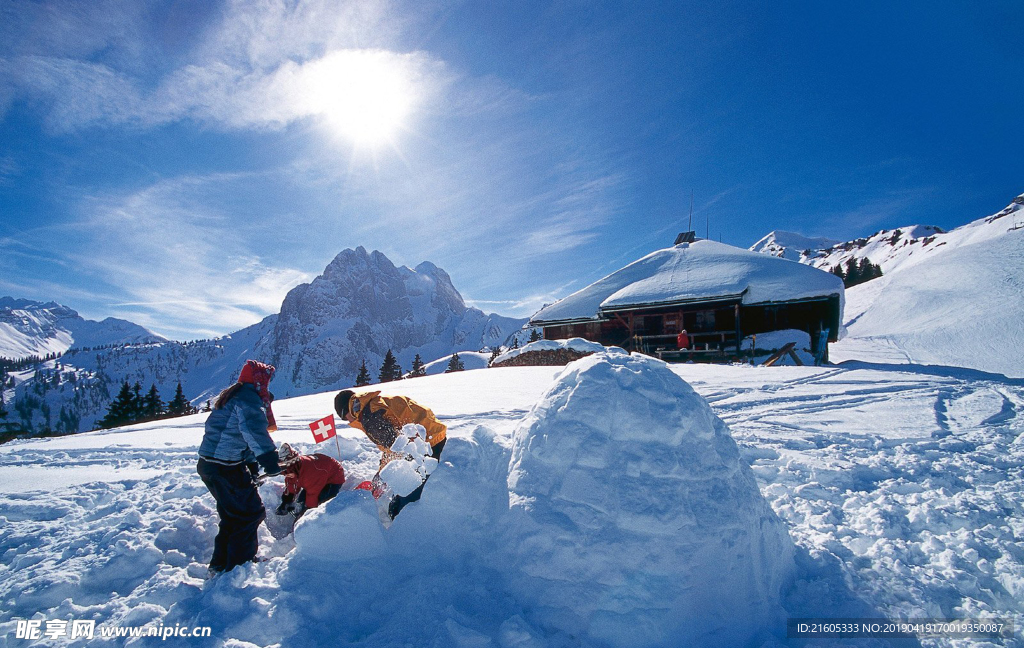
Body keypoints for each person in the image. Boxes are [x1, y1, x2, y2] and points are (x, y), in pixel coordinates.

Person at [196, 360, 282, 576]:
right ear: (259, 380)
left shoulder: (233, 396)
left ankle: (220, 564)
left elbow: (235, 436)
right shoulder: (247, 399)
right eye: (265, 380)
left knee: (233, 516)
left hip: (211, 465)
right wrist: (269, 459)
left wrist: (252, 464)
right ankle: (238, 567)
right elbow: (253, 432)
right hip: (225, 468)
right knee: (250, 513)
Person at [334, 389, 446, 520]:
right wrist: (382, 470)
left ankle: (404, 524)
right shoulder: (372, 404)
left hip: (426, 444)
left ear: (346, 411)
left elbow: (399, 447)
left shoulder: (370, 418)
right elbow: (393, 445)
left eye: (343, 417)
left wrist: (383, 475)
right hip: (433, 432)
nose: (347, 420)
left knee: (408, 495)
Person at [275, 443, 346, 517]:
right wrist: (287, 500)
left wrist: (308, 514)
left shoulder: (310, 473)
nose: (286, 475)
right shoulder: (293, 469)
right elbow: (291, 483)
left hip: (333, 477)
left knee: (324, 505)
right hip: (316, 476)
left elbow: (312, 495)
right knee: (301, 502)